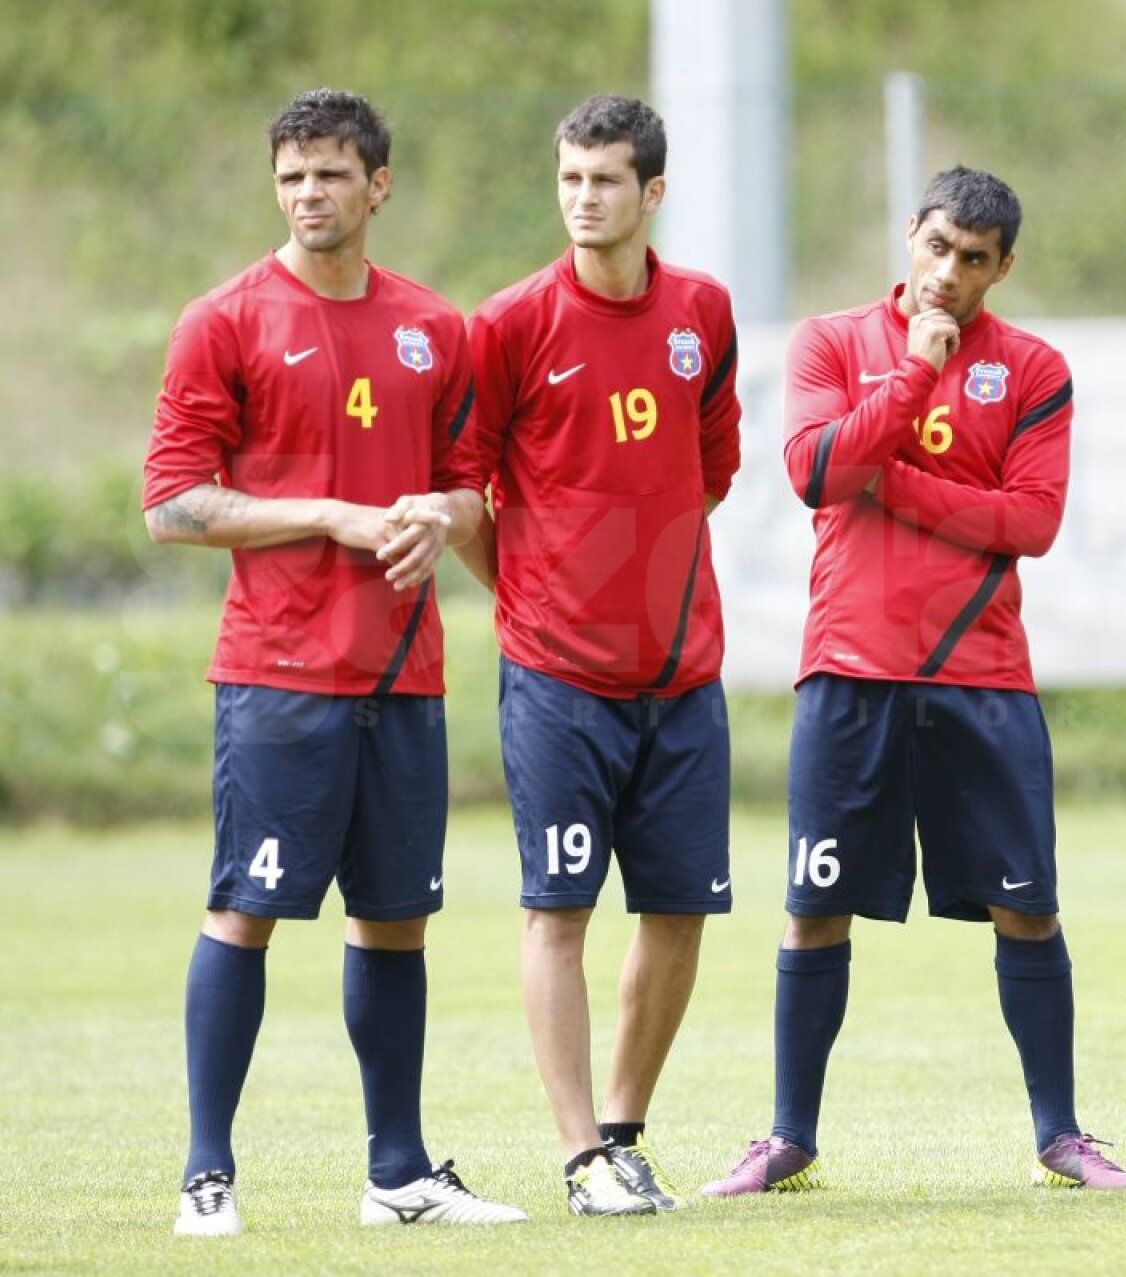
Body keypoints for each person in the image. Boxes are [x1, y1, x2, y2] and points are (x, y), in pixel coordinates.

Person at [702, 166, 1126, 1197]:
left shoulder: (1033, 368)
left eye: (974, 258)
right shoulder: (831, 343)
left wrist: (886, 473)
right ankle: (789, 1136)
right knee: (814, 907)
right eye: (937, 245)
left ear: (1004, 266)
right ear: (910, 232)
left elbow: (1028, 522)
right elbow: (814, 472)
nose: (948, 272)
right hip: (850, 666)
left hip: (981, 673)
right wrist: (908, 379)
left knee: (1027, 906)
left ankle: (1061, 1135)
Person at [143, 87, 527, 1236]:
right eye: (292, 176)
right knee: (243, 911)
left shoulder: (434, 326)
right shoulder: (224, 320)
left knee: (396, 920)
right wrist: (334, 514)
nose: (310, 194)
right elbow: (171, 505)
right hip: (278, 675)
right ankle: (207, 1172)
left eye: (330, 174)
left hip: (404, 676)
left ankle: (398, 1172)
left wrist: (438, 515)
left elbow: (470, 484)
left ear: (379, 186)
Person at [454, 94, 741, 1216]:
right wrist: (533, 592)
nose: (583, 198)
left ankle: (624, 1133)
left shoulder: (702, 313)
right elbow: (466, 490)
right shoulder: (512, 321)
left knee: (678, 909)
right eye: (570, 178)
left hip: (682, 674)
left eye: (606, 180)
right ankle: (580, 1156)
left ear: (652, 192)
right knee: (558, 910)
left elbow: (710, 472)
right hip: (556, 677)